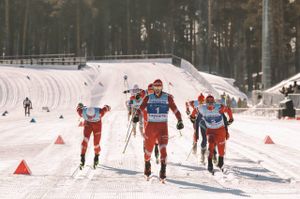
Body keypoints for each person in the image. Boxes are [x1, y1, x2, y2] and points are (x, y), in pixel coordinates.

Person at [133, 79, 184, 181]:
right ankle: (147, 165)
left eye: (159, 87)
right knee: (148, 152)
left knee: (163, 150)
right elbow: (141, 108)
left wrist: (180, 120)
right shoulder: (148, 97)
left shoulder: (167, 98)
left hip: (162, 128)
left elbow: (176, 110)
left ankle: (163, 170)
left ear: (162, 87)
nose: (157, 89)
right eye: (155, 87)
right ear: (153, 88)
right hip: (150, 128)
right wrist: (136, 115)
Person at [198, 95, 233, 173]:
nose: (210, 104)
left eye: (211, 102)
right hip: (210, 130)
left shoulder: (219, 107)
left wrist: (231, 119)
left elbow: (228, 110)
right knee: (210, 145)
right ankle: (210, 163)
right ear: (205, 102)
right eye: (208, 102)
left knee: (221, 149)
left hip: (220, 130)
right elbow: (195, 111)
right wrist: (192, 117)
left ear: (214, 102)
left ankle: (221, 163)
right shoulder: (202, 108)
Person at [76, 103, 111, 169]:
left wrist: (108, 107)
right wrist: (79, 106)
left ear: (95, 114)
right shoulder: (83, 113)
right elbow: (78, 109)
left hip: (97, 126)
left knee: (96, 143)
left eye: (92, 117)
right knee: (85, 141)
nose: (91, 118)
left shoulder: (100, 112)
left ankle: (96, 156)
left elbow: (106, 107)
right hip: (88, 125)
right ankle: (82, 158)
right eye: (89, 117)